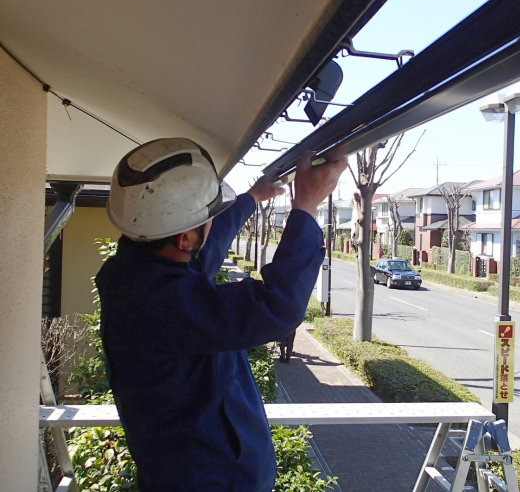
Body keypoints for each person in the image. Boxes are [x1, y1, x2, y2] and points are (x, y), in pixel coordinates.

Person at [96, 137, 346, 492]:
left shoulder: (136, 274)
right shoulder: (162, 302)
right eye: (208, 216)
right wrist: (305, 207)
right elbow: (276, 306)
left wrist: (252, 198)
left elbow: (201, 252)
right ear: (184, 238)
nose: (213, 222)